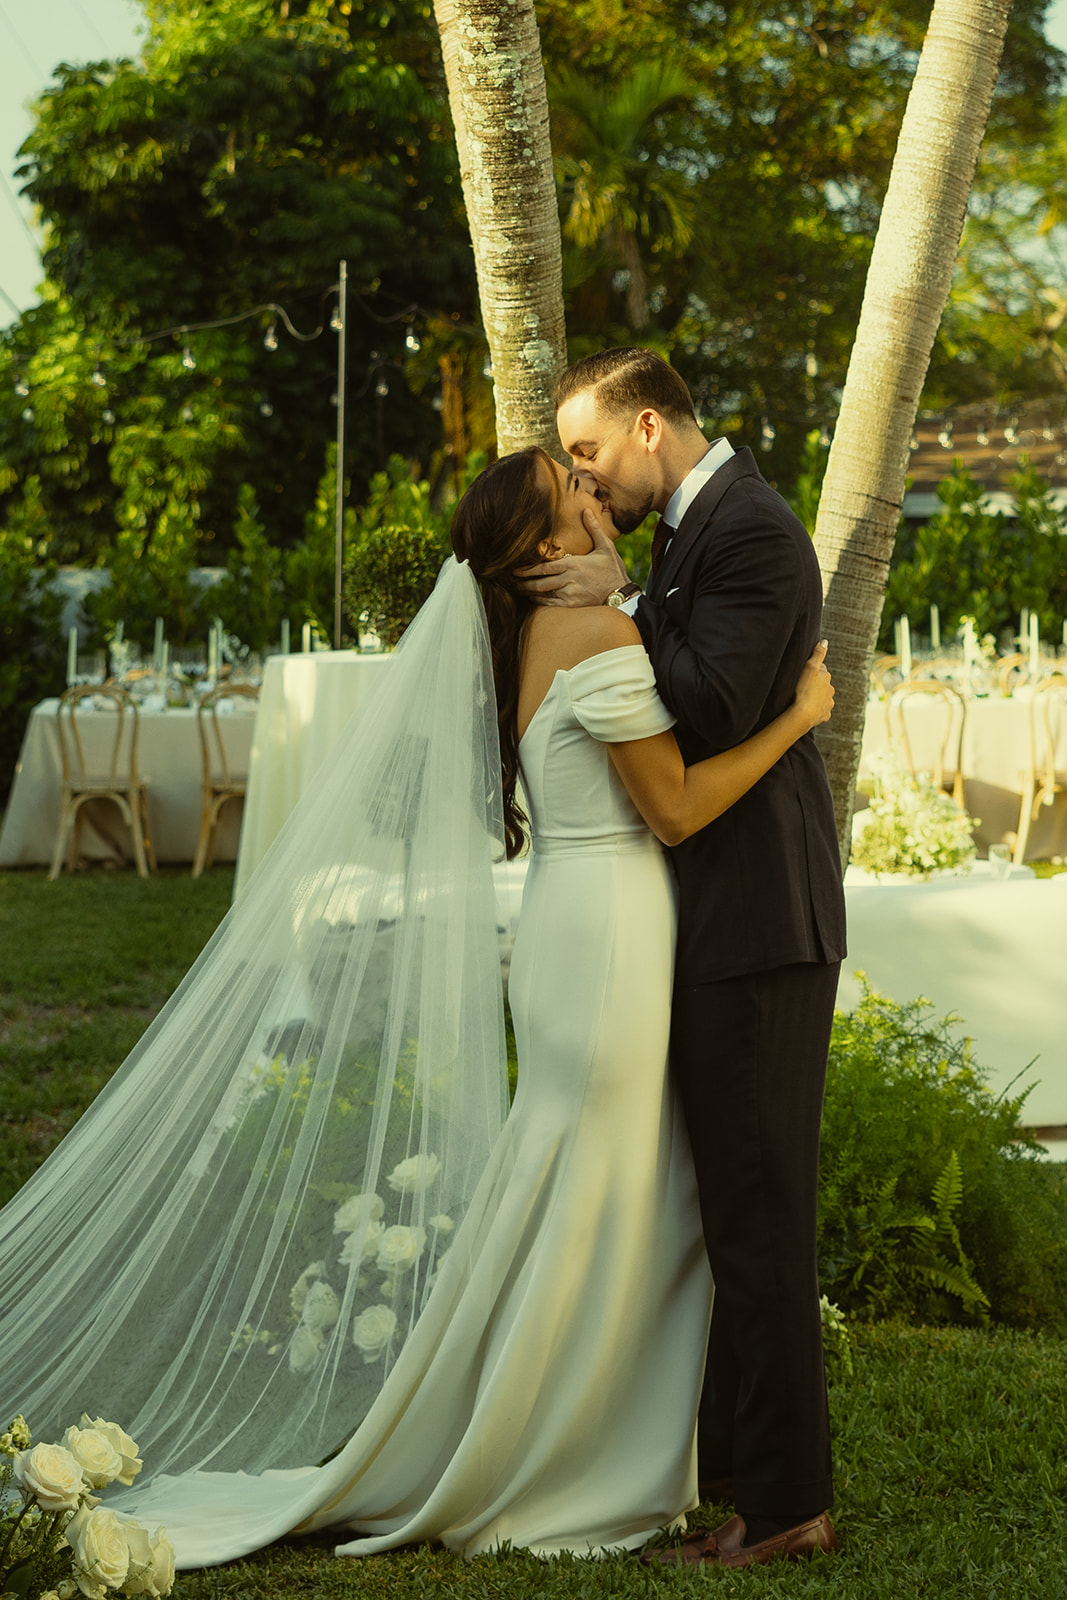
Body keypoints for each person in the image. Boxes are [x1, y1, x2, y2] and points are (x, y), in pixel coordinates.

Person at [0, 447, 833, 1570]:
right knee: (600, 1190)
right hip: (611, 937)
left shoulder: (539, 633)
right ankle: (556, 1451)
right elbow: (676, 811)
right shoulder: (592, 635)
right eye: (573, 492)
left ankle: (588, 1431)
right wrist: (799, 715)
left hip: (572, 926)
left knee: (589, 1186)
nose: (597, 497)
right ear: (547, 548)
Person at [522, 348, 847, 1569]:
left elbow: (706, 702)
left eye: (593, 453)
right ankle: (747, 1486)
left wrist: (620, 607)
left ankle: (785, 1507)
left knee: (760, 1218)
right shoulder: (689, 531)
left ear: (647, 425)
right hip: (715, 921)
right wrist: (627, 596)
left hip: (759, 925)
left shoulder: (754, 532)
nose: (587, 484)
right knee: (731, 1211)